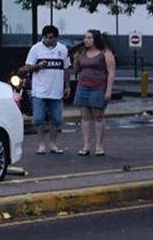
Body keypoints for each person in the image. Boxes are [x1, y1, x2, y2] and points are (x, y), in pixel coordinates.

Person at [23, 25, 70, 154]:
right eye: (47, 37)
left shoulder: (63, 49)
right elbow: (27, 67)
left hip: (56, 90)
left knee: (56, 119)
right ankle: (41, 144)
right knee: (39, 118)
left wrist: (67, 86)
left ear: (56, 38)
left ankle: (53, 143)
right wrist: (38, 66)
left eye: (52, 38)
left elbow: (66, 69)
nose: (49, 40)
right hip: (40, 90)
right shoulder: (36, 49)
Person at [73, 30, 116, 156]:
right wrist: (76, 59)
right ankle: (86, 145)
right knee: (85, 117)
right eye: (85, 37)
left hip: (98, 87)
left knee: (98, 116)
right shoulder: (82, 53)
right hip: (83, 86)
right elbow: (77, 69)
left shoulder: (105, 53)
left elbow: (111, 72)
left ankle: (99, 145)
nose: (86, 40)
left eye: (89, 38)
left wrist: (109, 89)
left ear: (95, 39)